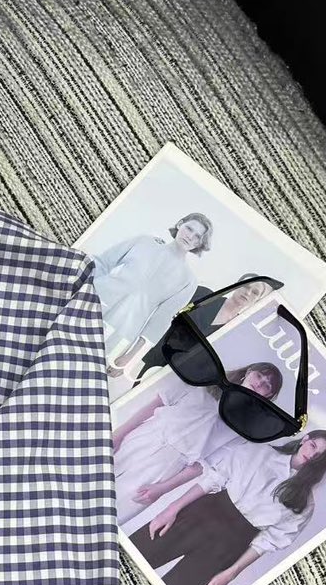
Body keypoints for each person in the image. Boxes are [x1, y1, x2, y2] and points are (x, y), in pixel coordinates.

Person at [127, 430, 326, 585]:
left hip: (228, 547)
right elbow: (213, 479)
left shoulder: (305, 503)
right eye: (313, 446)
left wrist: (231, 573)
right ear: (305, 439)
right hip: (199, 514)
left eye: (319, 456)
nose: (312, 455)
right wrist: (172, 509)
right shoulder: (259, 452)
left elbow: (267, 542)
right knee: (131, 558)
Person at [112, 362, 283, 525]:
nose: (260, 383)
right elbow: (157, 403)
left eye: (267, 385)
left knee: (117, 508)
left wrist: (163, 488)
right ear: (249, 372)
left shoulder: (244, 430)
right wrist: (118, 434)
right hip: (144, 437)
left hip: (167, 467)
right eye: (259, 375)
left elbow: (202, 465)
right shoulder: (205, 382)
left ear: (268, 396)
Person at [92, 213, 214, 379]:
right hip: (91, 306)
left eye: (198, 236)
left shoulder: (188, 280)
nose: (190, 236)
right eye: (189, 228)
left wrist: (131, 358)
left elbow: (160, 320)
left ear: (200, 243)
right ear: (180, 224)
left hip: (120, 330)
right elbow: (102, 262)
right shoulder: (145, 242)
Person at [138, 273, 280, 380]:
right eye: (246, 286)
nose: (248, 292)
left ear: (257, 301)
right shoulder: (204, 296)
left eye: (255, 292)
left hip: (180, 375)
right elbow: (165, 315)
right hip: (158, 357)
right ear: (236, 284)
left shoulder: (234, 331)